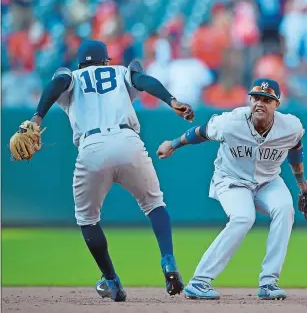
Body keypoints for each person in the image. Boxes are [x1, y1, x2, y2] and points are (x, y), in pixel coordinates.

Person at [10, 40, 194, 301]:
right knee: (155, 205)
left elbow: (56, 84)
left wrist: (37, 117)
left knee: (87, 220)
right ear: (106, 61)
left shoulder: (70, 76)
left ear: (80, 64)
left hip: (91, 148)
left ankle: (112, 281)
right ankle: (168, 261)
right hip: (128, 141)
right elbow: (142, 80)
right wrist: (171, 100)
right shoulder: (119, 71)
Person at [156, 78, 307, 300]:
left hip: (268, 181)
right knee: (243, 218)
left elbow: (295, 145)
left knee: (285, 210)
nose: (260, 103)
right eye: (256, 98)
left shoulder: (290, 126)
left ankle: (269, 283)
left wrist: (301, 182)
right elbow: (201, 132)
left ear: (277, 105)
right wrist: (173, 144)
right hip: (231, 180)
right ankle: (199, 281)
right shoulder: (230, 122)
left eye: (267, 99)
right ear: (249, 100)